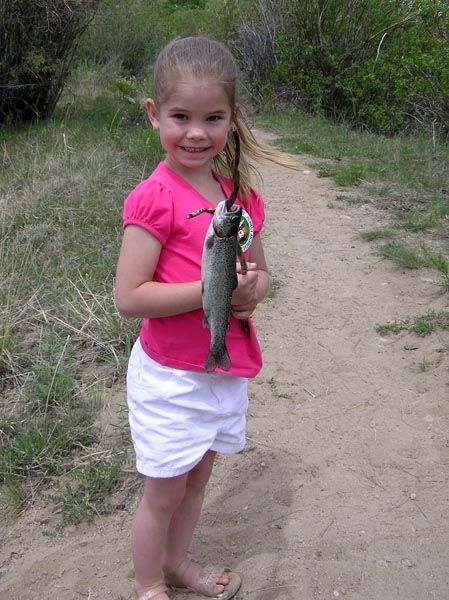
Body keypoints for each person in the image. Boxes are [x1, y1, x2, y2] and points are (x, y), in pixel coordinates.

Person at [115, 36, 296, 600]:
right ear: (154, 115)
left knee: (196, 484)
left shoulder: (238, 200)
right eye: (180, 116)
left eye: (212, 117)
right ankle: (150, 583)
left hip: (222, 370)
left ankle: (176, 562)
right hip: (170, 377)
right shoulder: (154, 198)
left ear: (232, 119)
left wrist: (246, 293)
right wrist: (208, 290)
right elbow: (130, 296)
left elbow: (261, 276)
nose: (196, 132)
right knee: (163, 493)